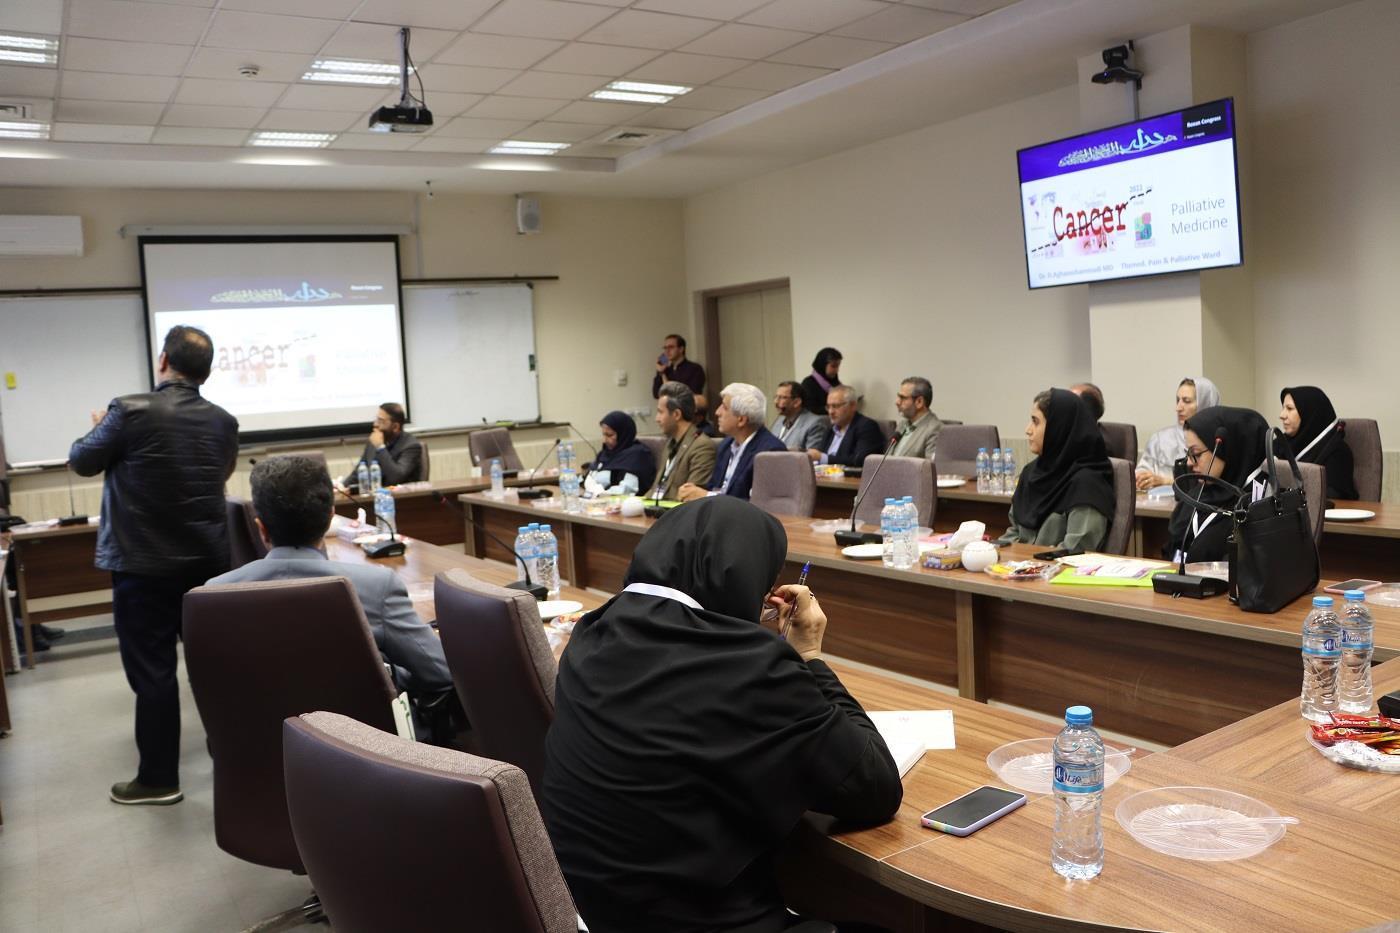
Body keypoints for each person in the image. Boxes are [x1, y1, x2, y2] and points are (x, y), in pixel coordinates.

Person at [542, 497, 902, 933]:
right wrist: (809, 656)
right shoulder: (749, 664)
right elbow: (875, 788)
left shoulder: (592, 633)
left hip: (600, 913)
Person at [69, 325, 239, 806]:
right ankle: (238, 761)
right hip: (207, 564)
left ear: (163, 360)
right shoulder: (224, 421)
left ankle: (159, 779)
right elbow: (221, 473)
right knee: (213, 669)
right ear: (207, 371)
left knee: (153, 673)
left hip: (143, 567)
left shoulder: (128, 410)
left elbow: (81, 459)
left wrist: (99, 425)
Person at [209, 455, 452, 701]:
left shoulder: (215, 593)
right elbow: (442, 671)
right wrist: (392, 674)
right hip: (359, 726)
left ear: (261, 527)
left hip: (257, 724)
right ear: (330, 518)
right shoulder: (377, 586)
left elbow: (218, 687)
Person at [997, 388, 1114, 552]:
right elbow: (1013, 534)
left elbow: (1077, 549)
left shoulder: (1087, 483)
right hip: (1021, 566)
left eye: (1036, 422)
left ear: (1058, 427)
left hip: (1056, 567)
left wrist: (1029, 561)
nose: (1028, 430)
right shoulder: (1030, 473)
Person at [1163, 405, 1271, 563]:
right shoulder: (1197, 495)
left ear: (1226, 449)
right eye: (1188, 454)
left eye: (1196, 454)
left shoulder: (1255, 505)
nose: (1190, 463)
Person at [678, 383, 785, 502]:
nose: (717, 412)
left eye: (724, 407)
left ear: (741, 420)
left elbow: (757, 504)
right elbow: (714, 487)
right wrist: (693, 491)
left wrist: (707, 496)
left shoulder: (770, 452)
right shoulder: (726, 445)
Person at [1136, 377, 1221, 490]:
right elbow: (1141, 472)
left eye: (1187, 401)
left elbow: (1210, 483)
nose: (1178, 408)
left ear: (1205, 403)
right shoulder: (1160, 439)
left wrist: (1166, 481)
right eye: (1178, 400)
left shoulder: (1218, 441)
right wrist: (1143, 478)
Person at [1278, 386, 1357, 500]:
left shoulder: (1337, 453)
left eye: (1289, 408)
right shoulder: (1280, 444)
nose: (1282, 415)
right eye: (1283, 408)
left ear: (1308, 413)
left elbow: (1331, 499)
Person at [648, 381, 717, 500]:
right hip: (657, 506)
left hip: (678, 509)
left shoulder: (702, 446)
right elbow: (656, 488)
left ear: (676, 414)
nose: (657, 419)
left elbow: (691, 497)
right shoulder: (670, 444)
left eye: (660, 412)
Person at [341, 403, 422, 489]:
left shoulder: (411, 446)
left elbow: (396, 478)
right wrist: (341, 486)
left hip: (402, 496)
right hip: (375, 494)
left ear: (395, 427)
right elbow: (358, 473)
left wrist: (380, 447)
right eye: (376, 419)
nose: (375, 424)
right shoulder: (373, 442)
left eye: (380, 421)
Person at [808, 385, 885, 468]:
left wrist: (824, 458)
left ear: (852, 406)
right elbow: (819, 454)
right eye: (828, 407)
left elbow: (859, 460)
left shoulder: (866, 426)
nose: (830, 412)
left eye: (835, 406)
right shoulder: (830, 429)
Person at [585, 410, 656, 495]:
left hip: (623, 501)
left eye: (609, 435)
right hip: (598, 499)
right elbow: (592, 477)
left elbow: (627, 489)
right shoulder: (605, 454)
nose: (604, 440)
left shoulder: (637, 455)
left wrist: (601, 494)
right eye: (603, 434)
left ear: (623, 434)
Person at [891, 376, 943, 459]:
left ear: (919, 402)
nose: (897, 402)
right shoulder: (902, 424)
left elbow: (930, 465)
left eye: (903, 398)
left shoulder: (935, 429)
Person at [771, 380, 826, 451]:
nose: (776, 402)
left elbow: (811, 455)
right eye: (776, 397)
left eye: (783, 397)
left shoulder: (815, 423)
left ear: (796, 402)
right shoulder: (779, 421)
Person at [651, 334, 705, 399]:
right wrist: (661, 373)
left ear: (681, 349)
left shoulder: (695, 369)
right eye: (665, 348)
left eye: (671, 347)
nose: (667, 351)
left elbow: (690, 395)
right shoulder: (666, 370)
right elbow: (656, 394)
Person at [800, 347, 843, 416]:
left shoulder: (836, 383)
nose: (837, 370)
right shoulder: (808, 384)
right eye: (833, 366)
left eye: (838, 366)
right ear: (822, 365)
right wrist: (832, 407)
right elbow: (809, 410)